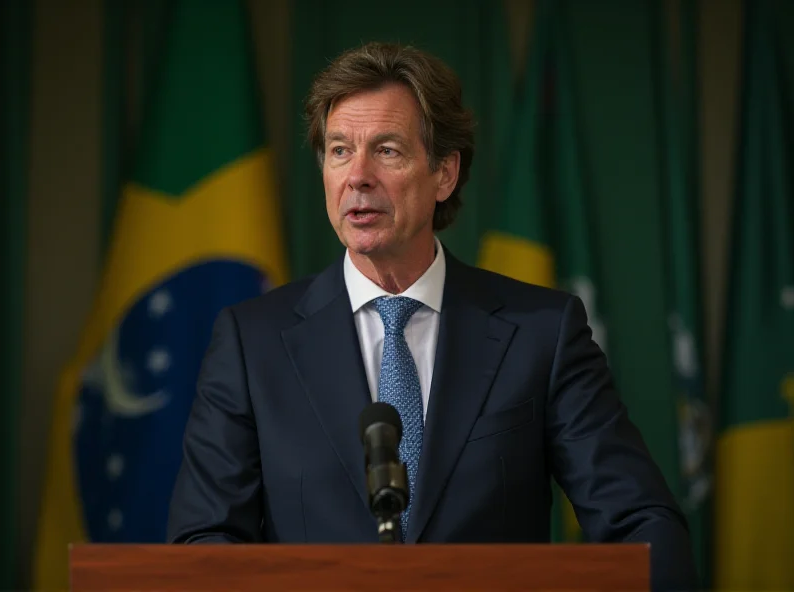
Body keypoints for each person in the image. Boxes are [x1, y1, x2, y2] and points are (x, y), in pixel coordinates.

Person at [167, 42, 698, 591]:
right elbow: (204, 538)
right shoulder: (253, 343)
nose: (358, 176)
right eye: (339, 151)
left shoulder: (542, 332)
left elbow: (641, 523)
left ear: (444, 172)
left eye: (388, 151)